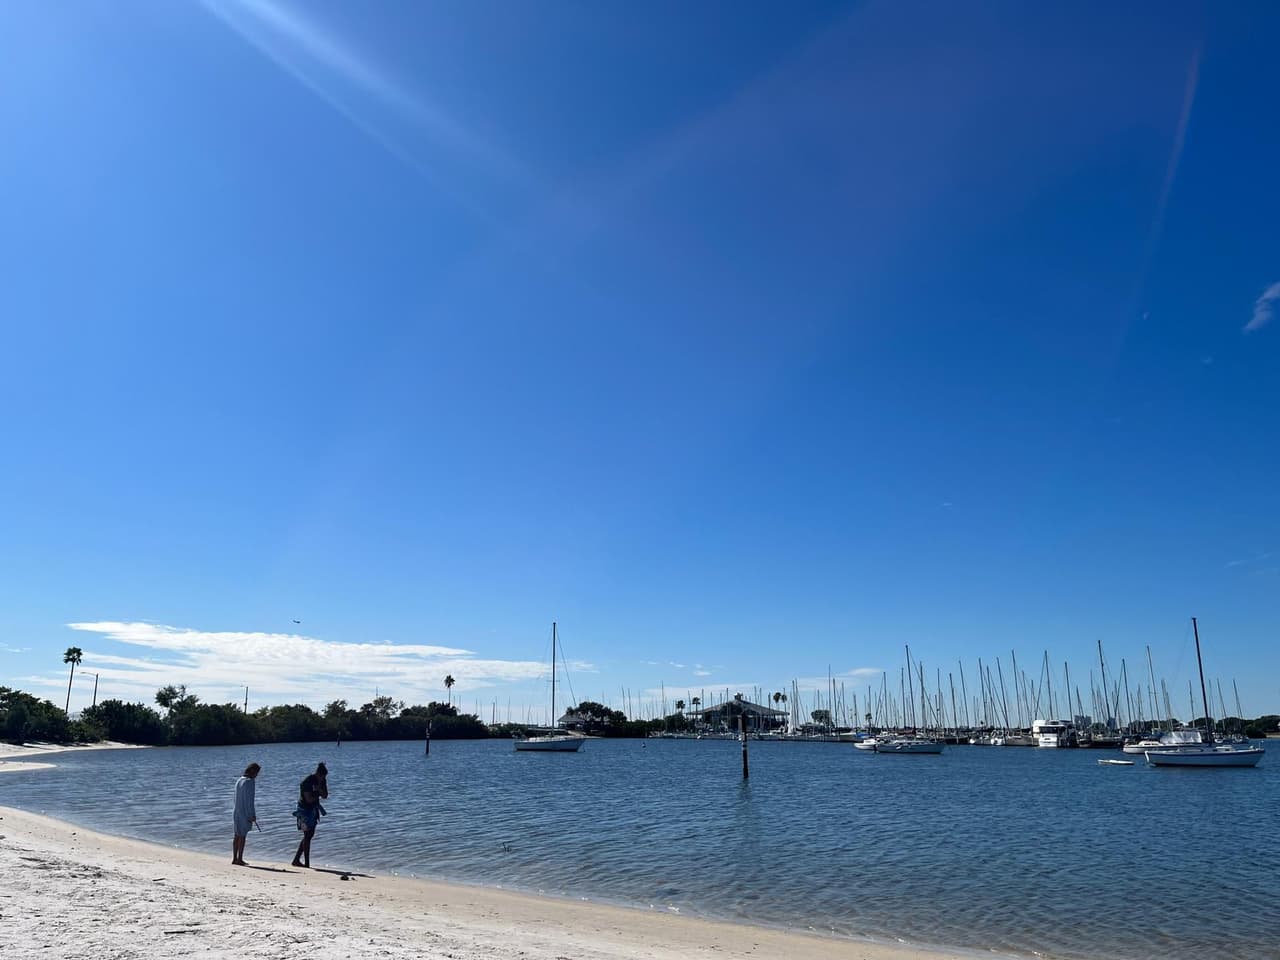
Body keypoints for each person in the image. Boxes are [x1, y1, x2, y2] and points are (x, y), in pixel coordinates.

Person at [291, 761, 328, 868]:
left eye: (323, 778)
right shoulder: (307, 782)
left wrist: (320, 790)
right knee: (307, 835)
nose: (322, 780)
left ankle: (296, 860)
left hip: (314, 809)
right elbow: (309, 799)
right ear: (317, 774)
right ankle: (306, 863)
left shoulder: (322, 780)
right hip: (304, 809)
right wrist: (319, 793)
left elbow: (325, 795)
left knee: (309, 835)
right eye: (321, 777)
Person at [232, 762, 260, 866]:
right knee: (242, 836)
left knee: (236, 835)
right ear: (253, 772)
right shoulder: (250, 782)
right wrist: (252, 815)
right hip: (244, 813)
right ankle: (239, 859)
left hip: (236, 811)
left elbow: (234, 798)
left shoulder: (239, 780)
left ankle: (235, 858)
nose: (257, 775)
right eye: (257, 773)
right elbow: (250, 801)